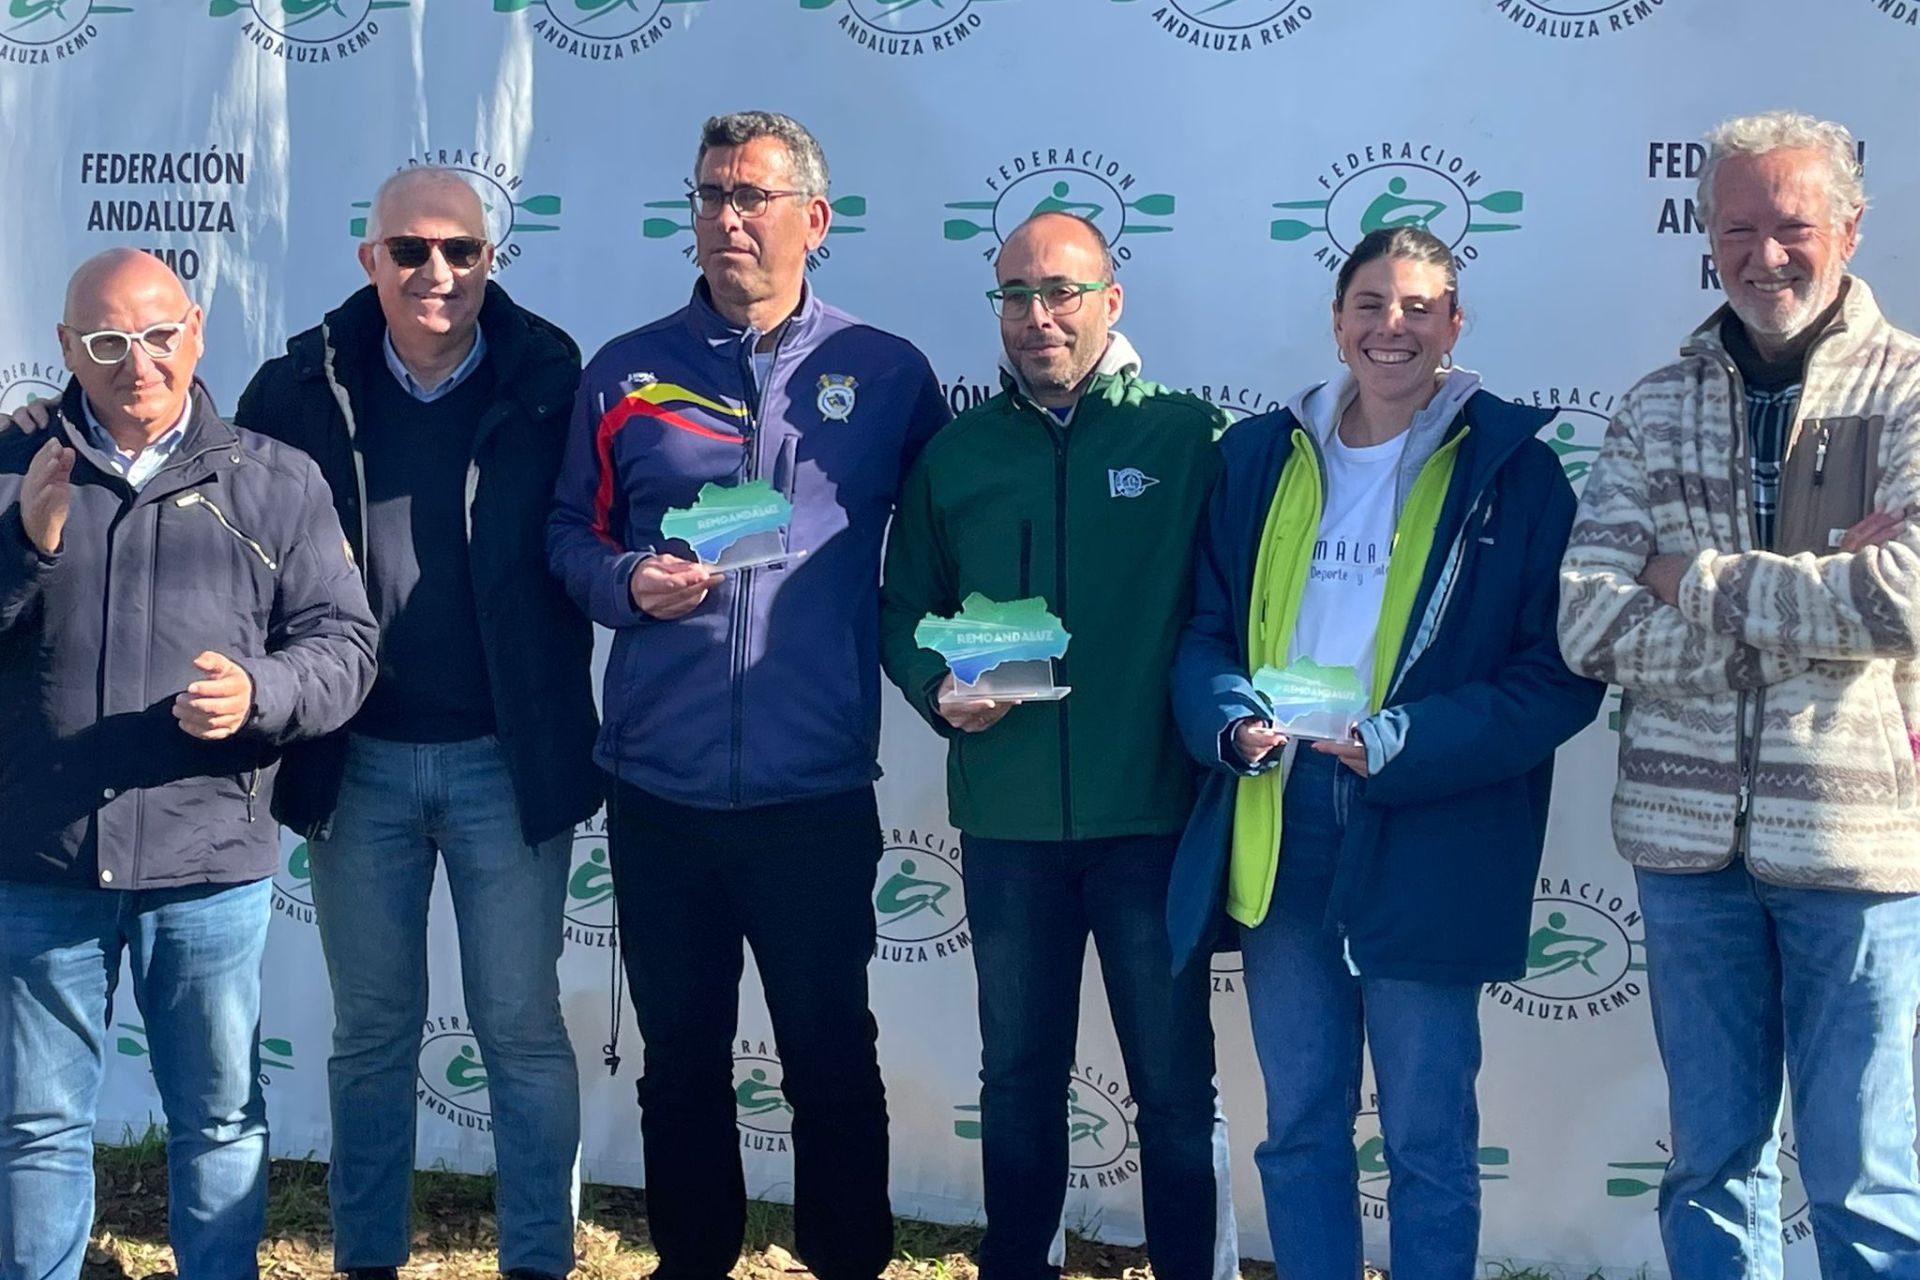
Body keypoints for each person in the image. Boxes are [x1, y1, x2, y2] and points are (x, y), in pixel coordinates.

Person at [547, 111, 948, 1280]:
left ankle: (847, 1260)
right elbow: (567, 533)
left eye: (752, 196)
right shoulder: (625, 371)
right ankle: (693, 1260)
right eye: (711, 194)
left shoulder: (886, 373)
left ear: (812, 220)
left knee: (831, 1053)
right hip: (660, 789)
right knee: (679, 1057)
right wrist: (625, 581)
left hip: (812, 788)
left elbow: (950, 532)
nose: (727, 217)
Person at [1168, 226, 1602, 1279]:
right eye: (1370, 304)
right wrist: (1230, 721)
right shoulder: (1257, 457)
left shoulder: (1517, 473)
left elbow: (1559, 675)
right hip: (1283, 821)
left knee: (1427, 1139)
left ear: (1454, 325)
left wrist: (1403, 740)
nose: (1391, 326)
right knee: (1299, 1127)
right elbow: (1205, 633)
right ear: (1336, 322)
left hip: (1429, 830)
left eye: (1417, 307)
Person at [1558, 111, 1920, 1278]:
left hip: (1857, 850)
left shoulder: (1912, 391)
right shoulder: (1654, 405)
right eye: (1737, 228)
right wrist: (1813, 605)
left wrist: (1693, 580)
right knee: (1711, 1166)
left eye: (1794, 226)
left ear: (1850, 229)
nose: (1765, 254)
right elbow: (1589, 619)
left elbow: (1905, 596)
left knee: (1866, 1177)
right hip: (1685, 854)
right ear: (1707, 235)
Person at [0, 249, 377, 1280]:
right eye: (108, 342)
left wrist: (263, 692)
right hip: (41, 859)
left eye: (159, 335)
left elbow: (345, 644)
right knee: (36, 1124)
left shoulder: (274, 479)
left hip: (207, 862)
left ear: (197, 331)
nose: (139, 362)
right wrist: (24, 546)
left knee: (218, 1116)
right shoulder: (13, 466)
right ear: (67, 347)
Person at [878, 210, 1235, 1280]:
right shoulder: (957, 454)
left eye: (1062, 292)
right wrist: (937, 688)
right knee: (1019, 1081)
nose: (1038, 316)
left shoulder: (1189, 438)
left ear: (1109, 302)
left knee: (1175, 1088)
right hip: (1010, 827)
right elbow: (903, 609)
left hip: (1153, 822)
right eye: (1017, 295)